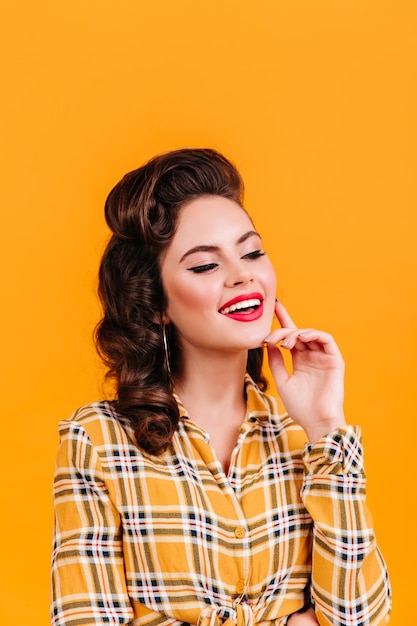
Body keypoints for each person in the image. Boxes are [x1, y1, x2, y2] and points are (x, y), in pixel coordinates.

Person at [51, 148, 392, 626]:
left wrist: (325, 426)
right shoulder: (98, 441)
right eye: (205, 266)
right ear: (156, 304)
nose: (243, 274)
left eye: (252, 251)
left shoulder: (306, 439)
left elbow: (359, 617)